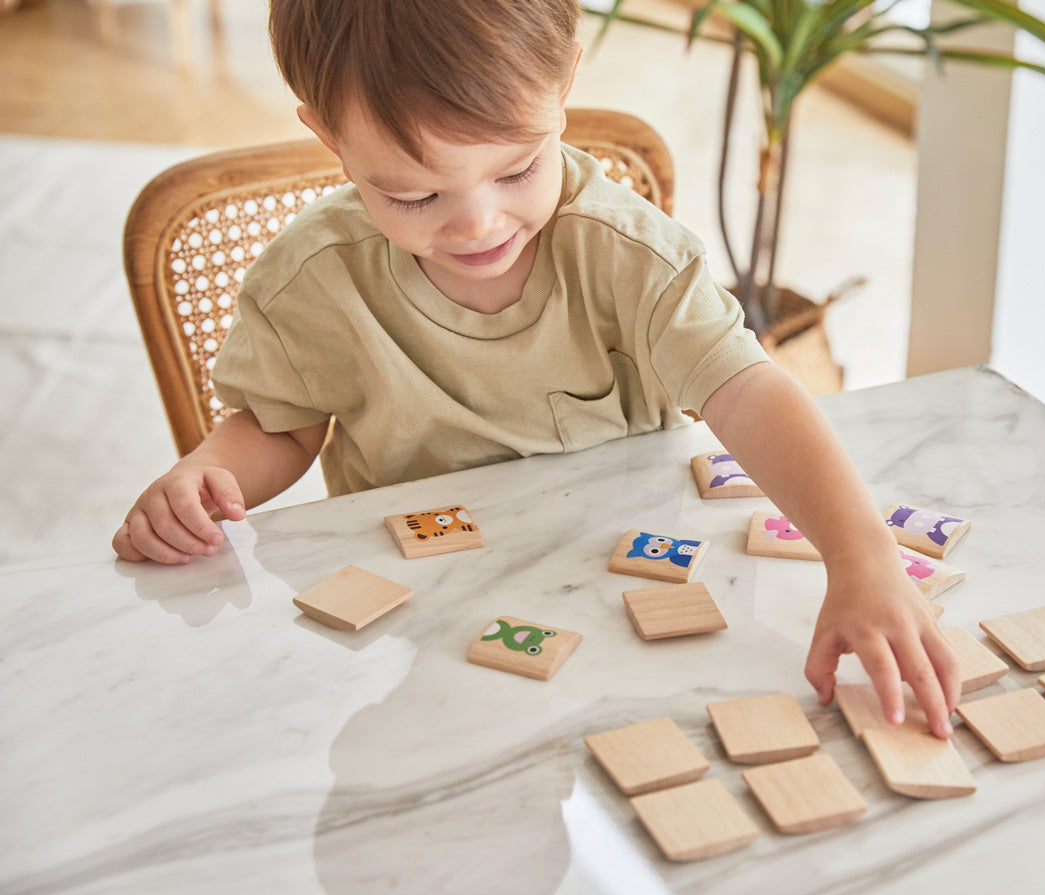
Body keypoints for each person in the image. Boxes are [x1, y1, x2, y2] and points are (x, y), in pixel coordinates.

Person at [111, 0, 961, 736]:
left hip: (631, 602)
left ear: (562, 88)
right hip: (425, 624)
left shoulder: (627, 254)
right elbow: (278, 426)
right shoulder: (313, 280)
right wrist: (206, 476)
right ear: (327, 135)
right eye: (413, 195)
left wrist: (862, 559)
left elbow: (749, 390)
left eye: (517, 168)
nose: (477, 223)